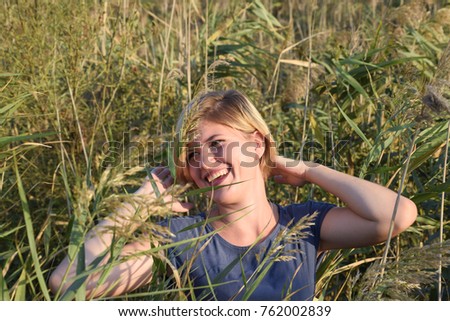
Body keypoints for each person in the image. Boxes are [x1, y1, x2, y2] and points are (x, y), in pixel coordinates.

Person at [48, 90, 417, 300]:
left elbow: (397, 215)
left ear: (255, 145)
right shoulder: (181, 240)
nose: (205, 162)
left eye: (216, 144)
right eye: (192, 154)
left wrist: (307, 170)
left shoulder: (301, 226)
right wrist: (136, 206)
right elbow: (69, 284)